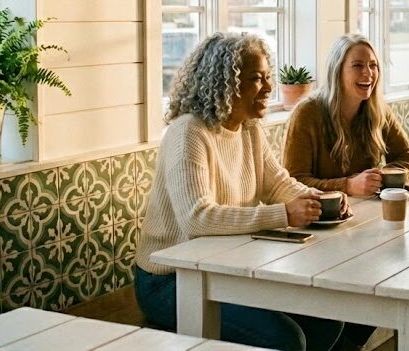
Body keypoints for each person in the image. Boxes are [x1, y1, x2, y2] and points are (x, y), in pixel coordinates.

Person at [135, 32, 344, 351]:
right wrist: (285, 214)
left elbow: (278, 184)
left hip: (225, 269)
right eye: (256, 79)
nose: (269, 87)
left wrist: (321, 201)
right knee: (287, 340)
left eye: (268, 77)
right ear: (226, 83)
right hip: (169, 280)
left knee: (329, 319)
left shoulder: (249, 129)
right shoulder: (189, 132)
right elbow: (197, 219)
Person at [283, 33, 409, 197]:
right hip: (322, 216)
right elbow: (294, 182)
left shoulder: (378, 110)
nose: (368, 73)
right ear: (337, 71)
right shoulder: (306, 114)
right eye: (357, 65)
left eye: (373, 65)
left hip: (366, 209)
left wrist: (380, 177)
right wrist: (347, 186)